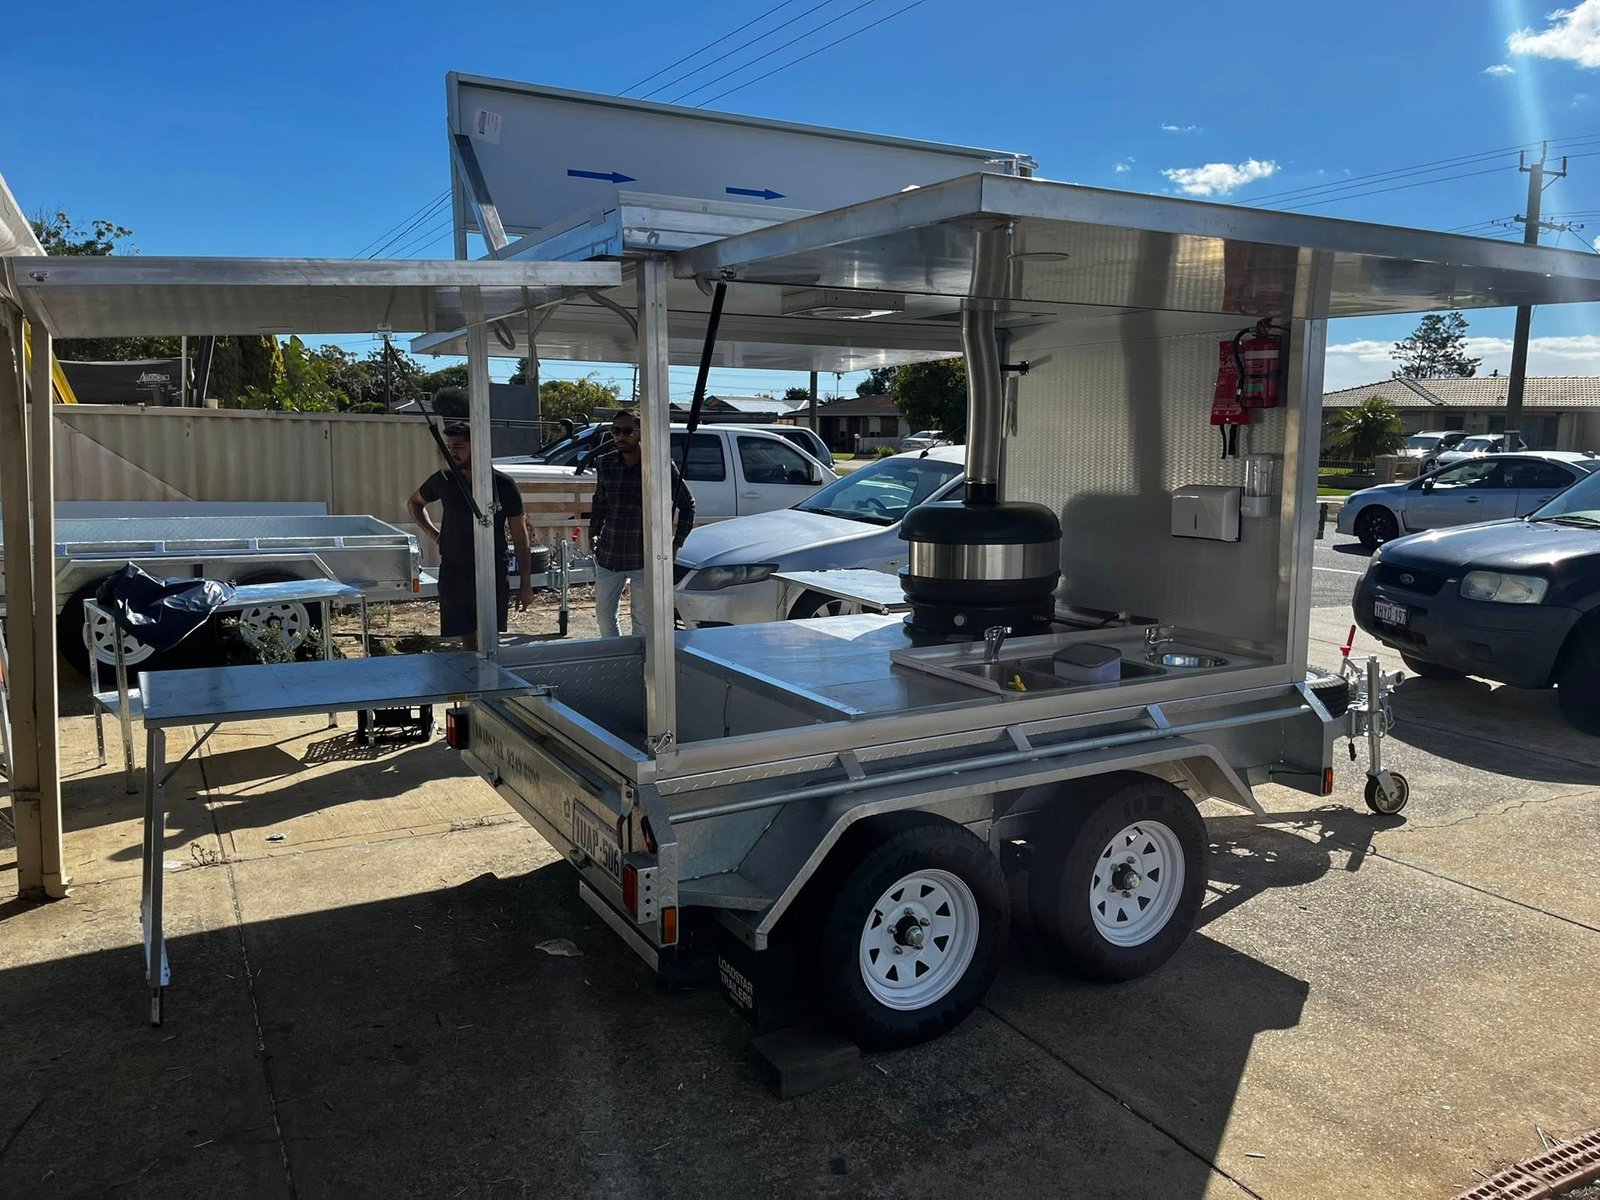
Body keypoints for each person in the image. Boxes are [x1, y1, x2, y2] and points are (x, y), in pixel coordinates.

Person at [407, 422, 534, 649]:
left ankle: (491, 678)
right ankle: (472, 676)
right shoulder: (444, 479)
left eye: (459, 446)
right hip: (454, 568)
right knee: (466, 637)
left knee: (489, 637)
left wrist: (526, 584)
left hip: (492, 568)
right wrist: (434, 533)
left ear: (478, 447)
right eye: (449, 446)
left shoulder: (503, 484)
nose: (452, 452)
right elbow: (414, 503)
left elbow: (520, 535)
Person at [588, 409, 695, 638]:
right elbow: (600, 501)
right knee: (604, 616)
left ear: (641, 433)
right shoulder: (605, 463)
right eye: (616, 431)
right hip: (609, 554)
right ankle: (614, 660)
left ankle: (641, 666)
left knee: (643, 620)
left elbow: (688, 504)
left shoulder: (660, 466)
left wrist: (676, 544)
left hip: (645, 557)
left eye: (628, 431)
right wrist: (593, 533)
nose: (621, 437)